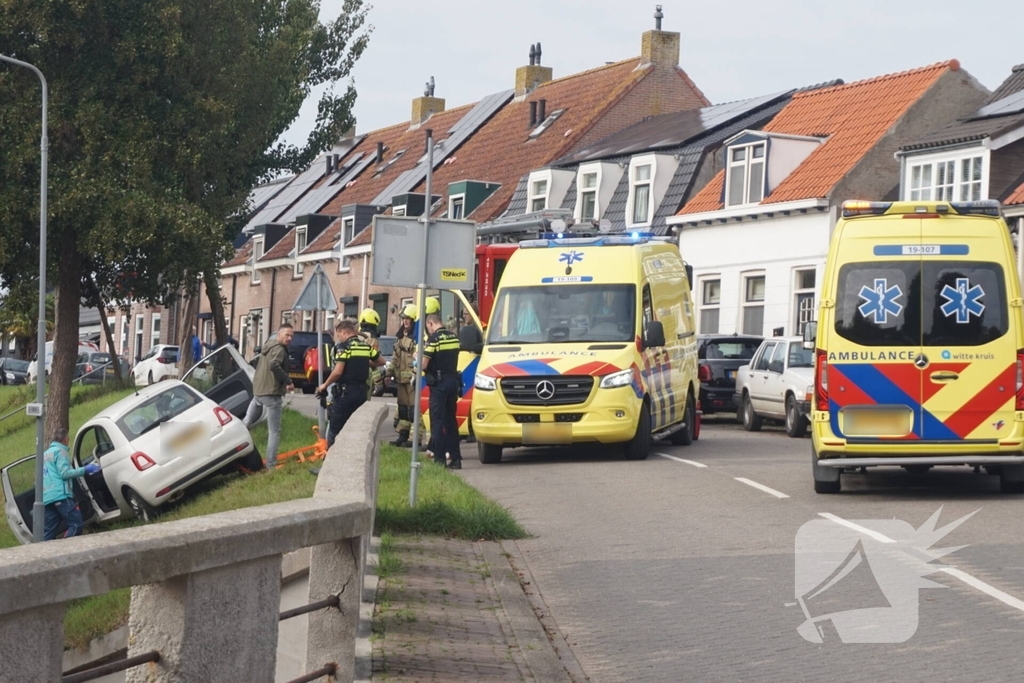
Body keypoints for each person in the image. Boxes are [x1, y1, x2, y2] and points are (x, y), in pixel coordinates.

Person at [318, 319, 384, 447]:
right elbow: (381, 361)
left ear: (343, 332)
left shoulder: (344, 347)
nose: (339, 338)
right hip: (361, 393)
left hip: (345, 393)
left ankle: (330, 460)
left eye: (339, 335)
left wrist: (324, 385)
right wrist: (365, 363)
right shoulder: (365, 346)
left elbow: (337, 372)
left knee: (335, 429)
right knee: (355, 427)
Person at [242, 323, 294, 469]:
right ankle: (271, 465)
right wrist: (288, 381)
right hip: (271, 393)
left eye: (291, 336)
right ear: (279, 334)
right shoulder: (279, 349)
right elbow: (274, 365)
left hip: (258, 391)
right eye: (287, 335)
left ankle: (234, 444)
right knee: (274, 431)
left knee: (246, 423)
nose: (289, 338)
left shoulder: (268, 346)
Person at [43, 427, 100, 541]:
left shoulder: (45, 454)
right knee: (76, 524)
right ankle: (67, 550)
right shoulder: (61, 451)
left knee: (49, 532)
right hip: (61, 495)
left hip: (47, 497)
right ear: (66, 439)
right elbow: (64, 474)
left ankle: (42, 555)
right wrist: (85, 469)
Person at [421, 313, 463, 469]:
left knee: (437, 423)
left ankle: (439, 462)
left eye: (428, 327)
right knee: (451, 421)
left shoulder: (433, 340)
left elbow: (424, 364)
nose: (429, 330)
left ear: (431, 323)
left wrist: (417, 359)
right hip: (453, 382)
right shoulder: (454, 337)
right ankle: (456, 459)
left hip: (439, 385)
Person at [387, 305, 423, 448]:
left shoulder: (417, 338)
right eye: (403, 318)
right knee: (403, 409)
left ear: (413, 320)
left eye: (407, 318)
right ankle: (403, 434)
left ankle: (415, 438)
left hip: (412, 381)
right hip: (401, 380)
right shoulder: (401, 337)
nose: (405, 321)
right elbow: (395, 357)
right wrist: (389, 373)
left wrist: (415, 375)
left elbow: (418, 358)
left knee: (415, 409)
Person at [357, 308, 382, 399]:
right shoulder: (372, 339)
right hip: (366, 374)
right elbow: (374, 361)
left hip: (353, 373)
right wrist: (378, 381)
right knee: (364, 401)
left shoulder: (355, 335)